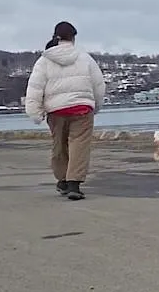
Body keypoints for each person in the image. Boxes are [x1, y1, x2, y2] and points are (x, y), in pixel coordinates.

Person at [24, 21, 107, 201]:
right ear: (73, 37)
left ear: (56, 36)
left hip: (56, 110)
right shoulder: (85, 58)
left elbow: (35, 88)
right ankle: (74, 184)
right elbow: (99, 85)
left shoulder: (44, 61)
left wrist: (35, 113)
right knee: (79, 145)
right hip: (82, 108)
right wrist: (96, 106)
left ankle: (62, 179)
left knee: (59, 144)